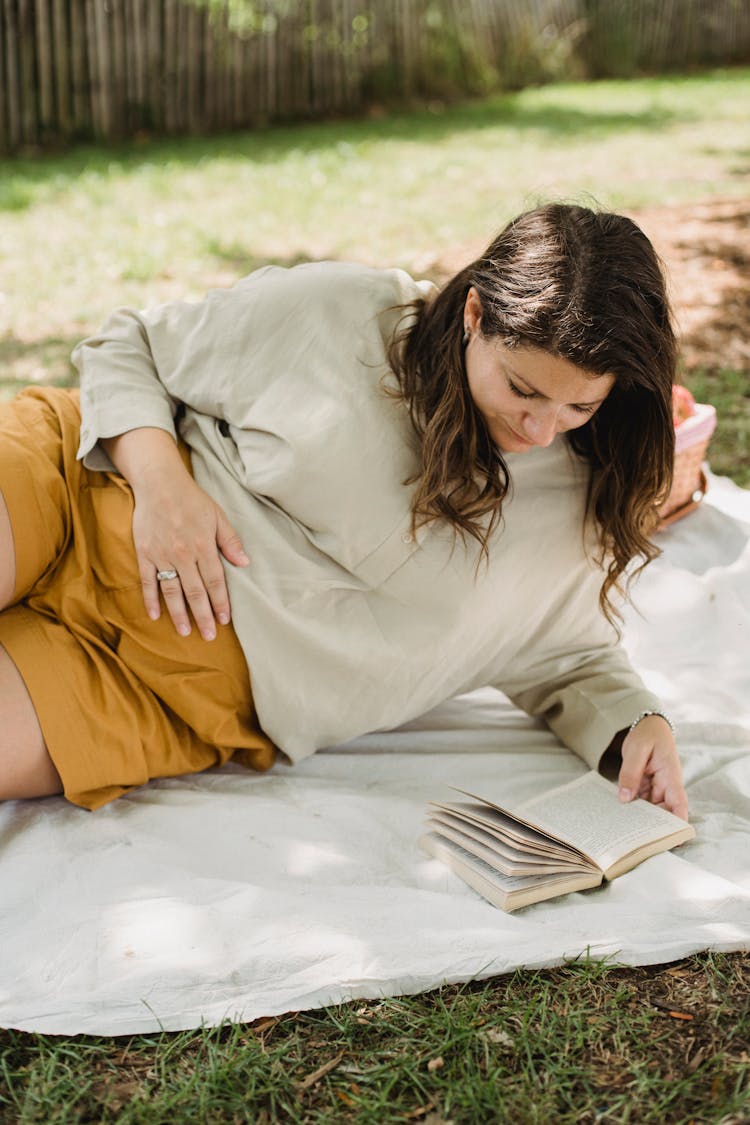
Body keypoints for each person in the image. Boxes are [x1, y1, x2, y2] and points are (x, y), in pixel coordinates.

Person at [0, 202, 689, 818]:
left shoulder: (581, 498)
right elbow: (132, 345)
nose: (541, 428)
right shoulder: (350, 310)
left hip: (155, 690)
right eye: (521, 389)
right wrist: (160, 486)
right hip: (79, 486)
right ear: (476, 316)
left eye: (579, 405)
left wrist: (637, 723)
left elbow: (564, 649)